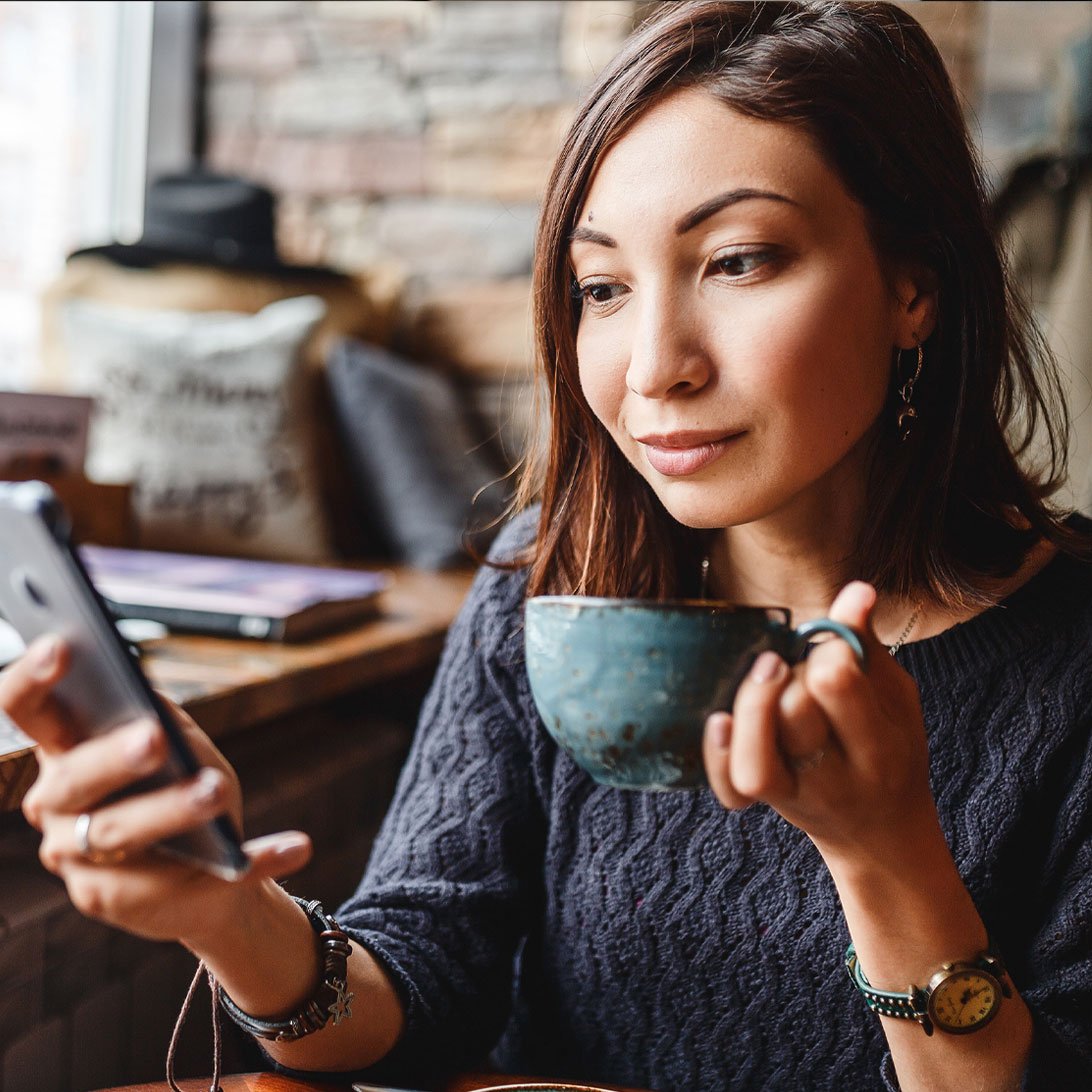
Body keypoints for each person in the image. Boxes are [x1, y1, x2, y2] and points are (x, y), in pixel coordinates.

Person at [4, 2, 1091, 1089]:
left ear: (914, 287)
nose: (653, 364)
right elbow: (418, 987)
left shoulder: (1072, 656)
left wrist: (886, 855)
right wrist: (227, 906)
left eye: (740, 260)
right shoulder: (555, 571)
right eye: (602, 288)